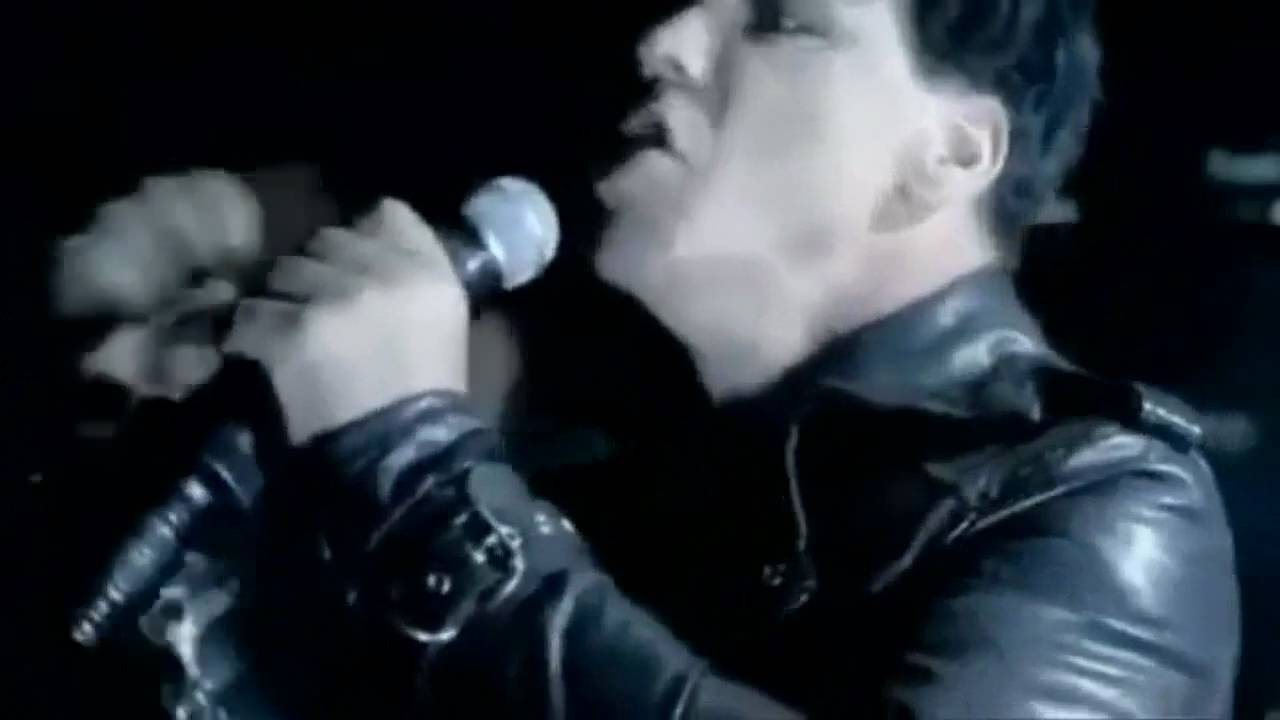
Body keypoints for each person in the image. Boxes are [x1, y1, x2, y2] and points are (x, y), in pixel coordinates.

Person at [59, 0, 1240, 716]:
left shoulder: (1098, 508)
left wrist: (412, 464)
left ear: (948, 152)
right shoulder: (616, 490)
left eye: (781, 20)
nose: (664, 41)